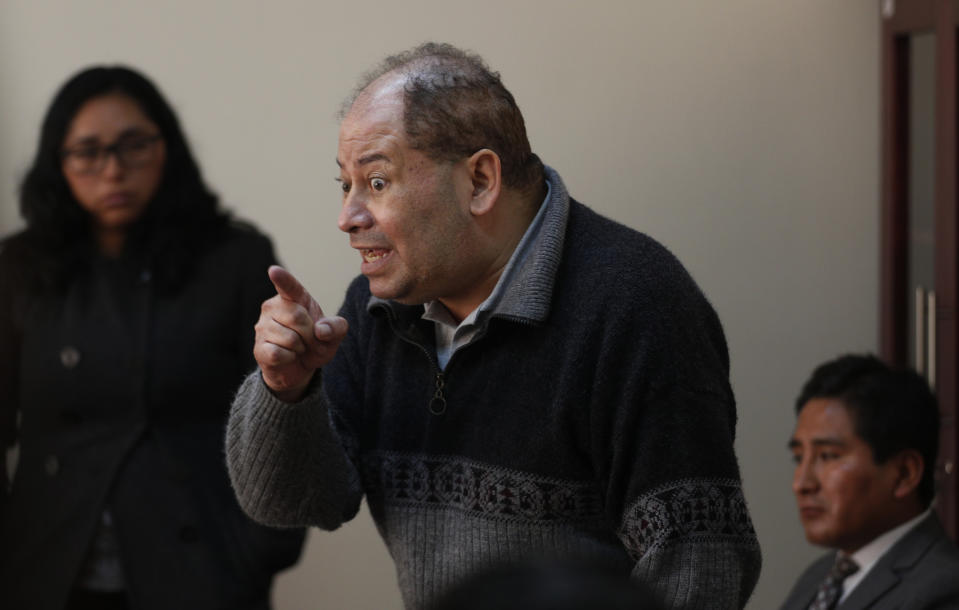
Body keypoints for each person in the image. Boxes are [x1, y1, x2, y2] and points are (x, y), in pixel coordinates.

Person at [226, 42, 761, 609]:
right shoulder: (377, 309)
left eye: (377, 182)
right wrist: (286, 391)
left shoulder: (636, 306)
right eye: (345, 185)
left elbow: (698, 570)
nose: (348, 217)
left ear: (480, 181)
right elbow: (294, 504)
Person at [0, 66, 304, 610]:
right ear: (59, 163)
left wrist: (258, 550)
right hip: (48, 565)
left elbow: (276, 417)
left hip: (200, 569)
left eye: (133, 145)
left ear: (167, 148)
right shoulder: (20, 267)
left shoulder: (234, 259)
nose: (112, 170)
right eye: (87, 152)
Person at [781, 354, 959, 610]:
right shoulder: (819, 576)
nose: (801, 483)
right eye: (799, 458)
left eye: (828, 456)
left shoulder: (944, 588)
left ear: (904, 474)